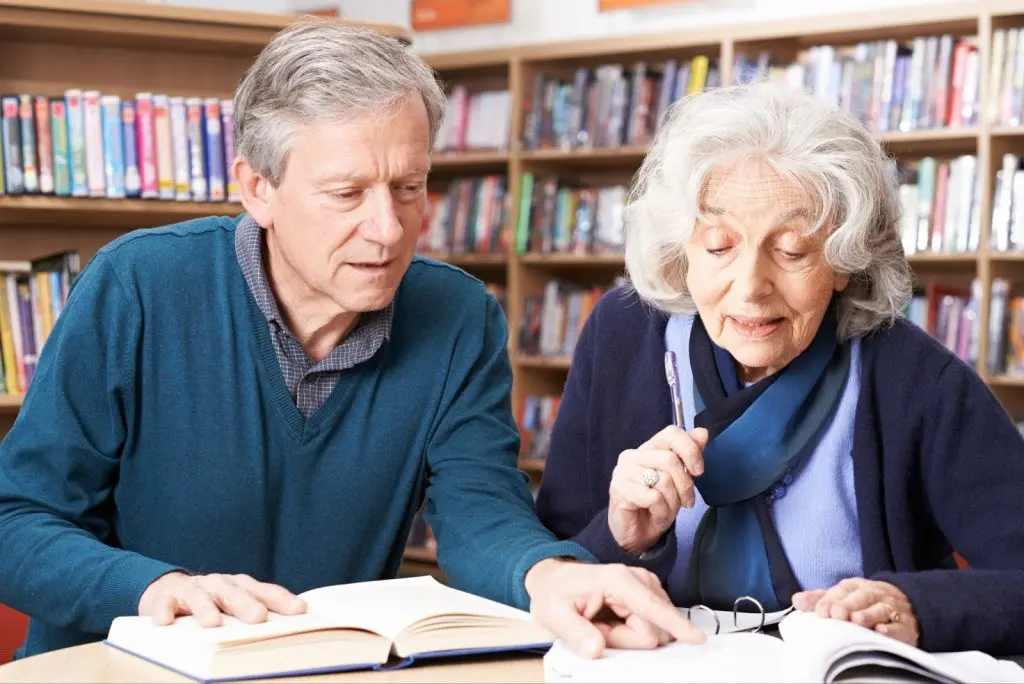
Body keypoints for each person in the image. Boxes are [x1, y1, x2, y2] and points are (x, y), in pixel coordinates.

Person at [0, 20, 703, 662]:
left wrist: (550, 576)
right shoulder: (139, 285)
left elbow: (482, 511)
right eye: (347, 193)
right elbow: (16, 520)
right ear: (256, 188)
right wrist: (153, 588)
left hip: (320, 673)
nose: (389, 229)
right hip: (106, 671)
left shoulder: (459, 315)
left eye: (409, 186)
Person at [536, 81, 1024, 656]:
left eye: (792, 251)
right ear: (680, 251)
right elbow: (552, 563)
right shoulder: (622, 336)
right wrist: (620, 535)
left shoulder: (914, 377)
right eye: (719, 246)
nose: (750, 288)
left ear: (846, 259)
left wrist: (914, 607)